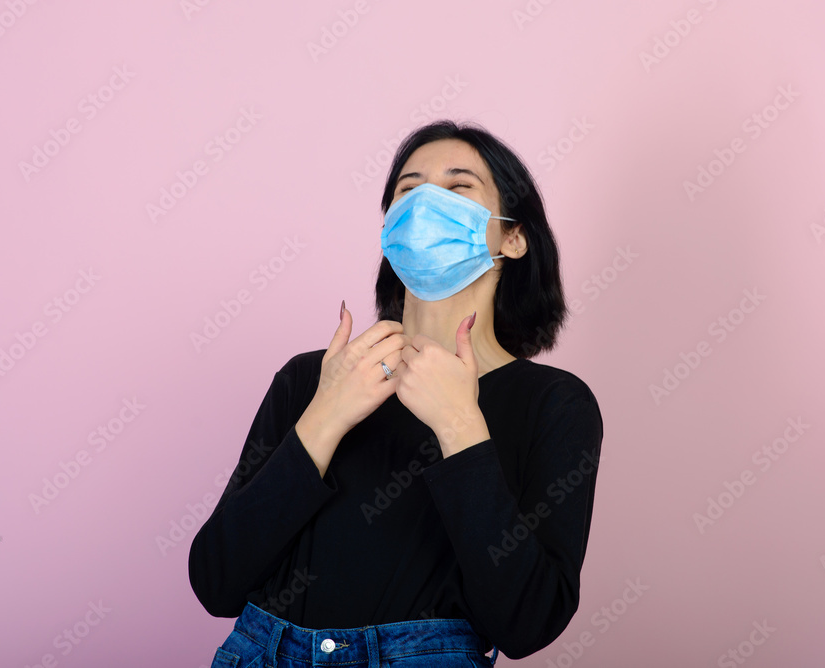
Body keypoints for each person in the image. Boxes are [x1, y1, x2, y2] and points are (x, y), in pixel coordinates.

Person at [189, 119, 604, 668]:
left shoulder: (553, 403)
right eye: (409, 190)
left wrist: (460, 426)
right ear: (390, 231)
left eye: (459, 187)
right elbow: (217, 582)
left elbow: (528, 623)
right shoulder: (310, 379)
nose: (427, 204)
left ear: (513, 236)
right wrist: (327, 415)